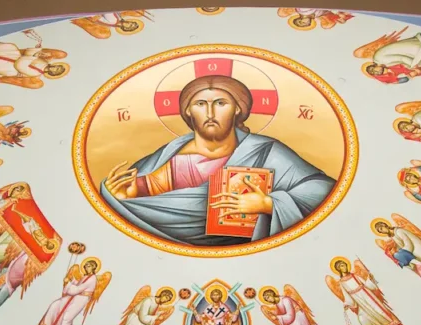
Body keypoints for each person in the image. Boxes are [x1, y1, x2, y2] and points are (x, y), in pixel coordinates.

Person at [99, 74, 335, 246]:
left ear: (237, 110)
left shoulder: (266, 151)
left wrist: (268, 204)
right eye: (200, 104)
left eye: (221, 103)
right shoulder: (170, 155)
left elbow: (323, 189)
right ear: (189, 111)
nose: (210, 113)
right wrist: (126, 196)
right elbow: (147, 190)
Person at [326, 258, 409, 325]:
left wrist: (370, 279)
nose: (344, 267)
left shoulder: (354, 276)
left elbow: (367, 284)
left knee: (380, 312)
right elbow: (347, 296)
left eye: (344, 265)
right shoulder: (342, 283)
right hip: (359, 301)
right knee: (364, 319)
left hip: (368, 296)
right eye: (341, 266)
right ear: (338, 269)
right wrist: (347, 304)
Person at [29, 258, 108, 325]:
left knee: (67, 317)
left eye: (88, 266)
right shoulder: (85, 277)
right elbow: (77, 285)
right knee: (55, 305)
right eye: (85, 265)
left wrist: (68, 283)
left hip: (80, 299)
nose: (86, 267)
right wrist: (70, 280)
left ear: (94, 267)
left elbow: (77, 290)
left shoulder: (92, 279)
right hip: (73, 297)